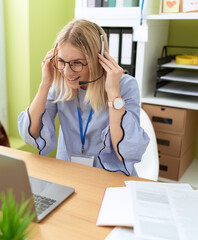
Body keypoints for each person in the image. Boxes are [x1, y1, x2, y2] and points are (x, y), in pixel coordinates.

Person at [18, 19, 149, 176]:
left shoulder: (125, 86)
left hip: (110, 177)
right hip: (70, 174)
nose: (67, 72)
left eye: (77, 63)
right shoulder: (61, 84)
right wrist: (45, 84)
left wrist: (113, 92)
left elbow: (126, 151)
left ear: (98, 59)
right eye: (61, 61)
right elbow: (30, 134)